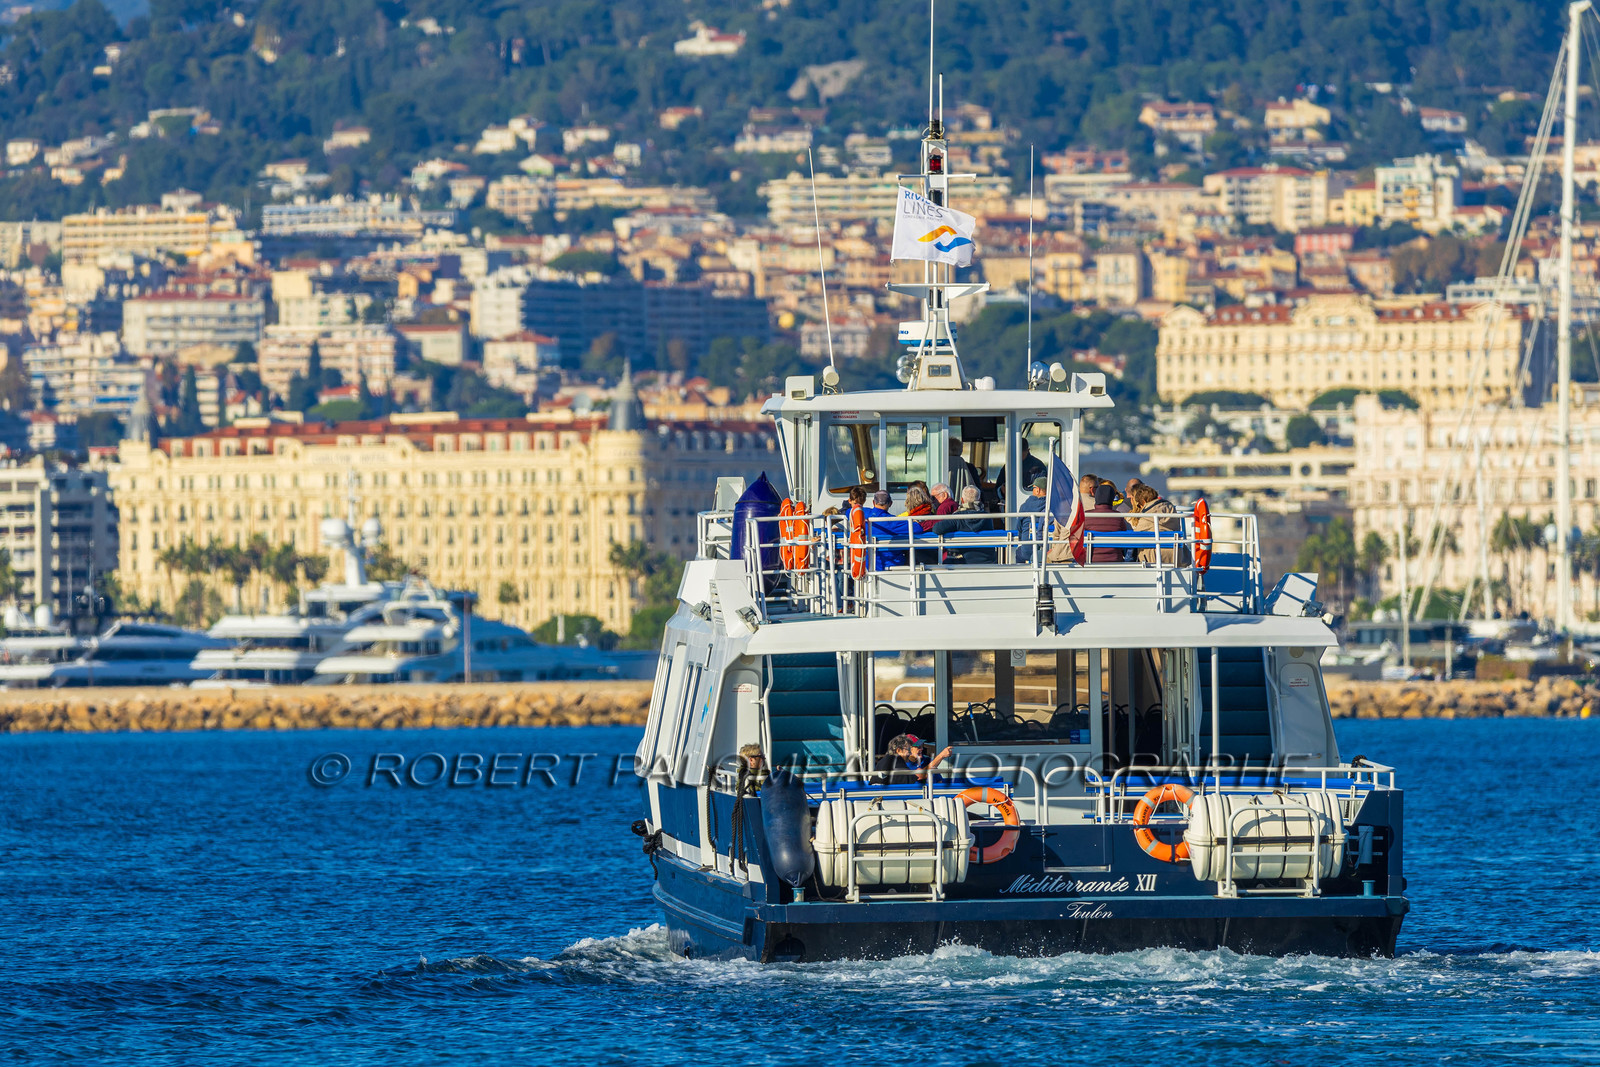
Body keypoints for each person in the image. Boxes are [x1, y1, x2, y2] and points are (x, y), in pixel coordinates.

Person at [931, 486, 999, 563]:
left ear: (962, 500)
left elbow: (936, 529)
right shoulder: (987, 518)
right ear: (979, 499)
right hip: (987, 562)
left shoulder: (957, 517)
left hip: (961, 562)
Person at [1128, 483, 1191, 565]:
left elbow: (1136, 535)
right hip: (1176, 555)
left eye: (1140, 506)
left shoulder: (1147, 513)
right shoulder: (1170, 508)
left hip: (1154, 557)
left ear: (1143, 502)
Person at [874, 733, 952, 785]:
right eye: (918, 747)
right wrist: (941, 756)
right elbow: (921, 775)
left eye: (922, 746)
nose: (921, 749)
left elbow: (939, 780)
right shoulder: (902, 763)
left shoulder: (927, 760)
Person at [1082, 482, 1129, 563]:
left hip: (1091, 559)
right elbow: (1124, 536)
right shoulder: (1118, 516)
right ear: (1112, 498)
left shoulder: (1086, 516)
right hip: (1115, 559)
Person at [1016, 475, 1051, 563]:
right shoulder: (1053, 506)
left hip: (1028, 551)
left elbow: (1019, 528)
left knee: (1019, 552)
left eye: (1033, 488)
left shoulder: (1025, 507)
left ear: (1038, 490)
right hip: (1048, 551)